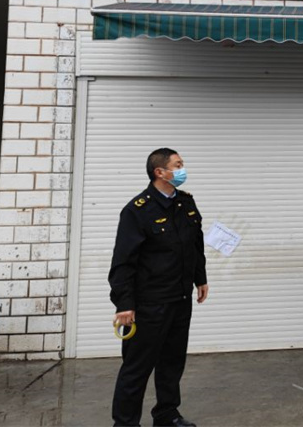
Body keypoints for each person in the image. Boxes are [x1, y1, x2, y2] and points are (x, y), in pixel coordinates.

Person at [109, 148, 209, 427]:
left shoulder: (186, 203)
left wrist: (200, 278)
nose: (182, 169)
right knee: (137, 367)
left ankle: (167, 415)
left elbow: (195, 245)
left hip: (180, 298)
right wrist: (124, 304)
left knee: (172, 362)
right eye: (177, 165)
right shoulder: (137, 210)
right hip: (150, 303)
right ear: (160, 172)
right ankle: (125, 423)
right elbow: (123, 262)